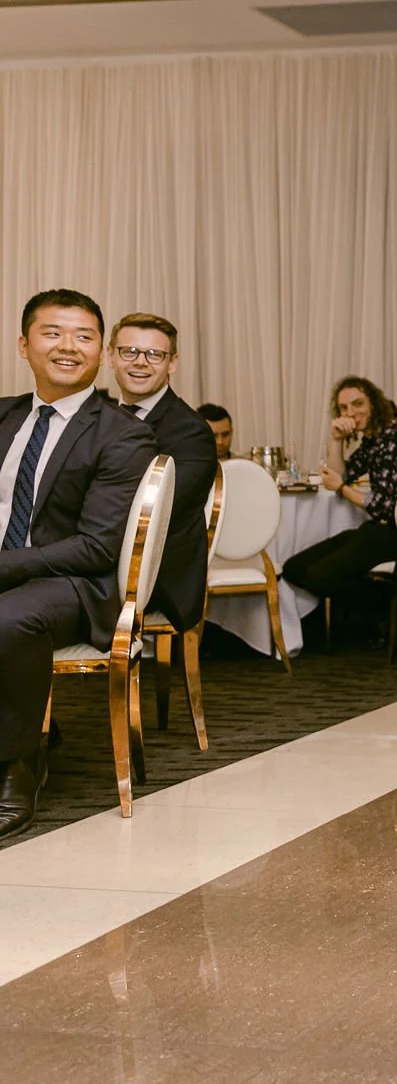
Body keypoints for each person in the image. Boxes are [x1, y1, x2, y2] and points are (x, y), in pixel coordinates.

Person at [0, 290, 154, 838]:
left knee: (9, 618)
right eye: (52, 333)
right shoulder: (4, 416)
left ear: (100, 351)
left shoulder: (122, 432)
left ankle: (18, 766)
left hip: (74, 583)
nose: (68, 346)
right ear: (24, 345)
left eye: (84, 336)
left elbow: (96, 546)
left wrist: (5, 566)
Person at [107, 313, 219, 632]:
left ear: (172, 363)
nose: (140, 362)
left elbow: (157, 512)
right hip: (104, 556)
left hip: (155, 575)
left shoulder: (190, 431)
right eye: (129, 351)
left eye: (154, 354)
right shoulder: (99, 417)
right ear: (110, 356)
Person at [281, 377, 397, 628]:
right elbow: (340, 474)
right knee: (293, 568)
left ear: (374, 404)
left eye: (358, 404)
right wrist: (336, 439)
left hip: (395, 532)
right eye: (343, 408)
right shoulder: (373, 440)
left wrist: (341, 488)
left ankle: (387, 607)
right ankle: (384, 605)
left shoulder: (393, 436)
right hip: (375, 529)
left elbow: (383, 506)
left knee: (318, 576)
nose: (350, 413)